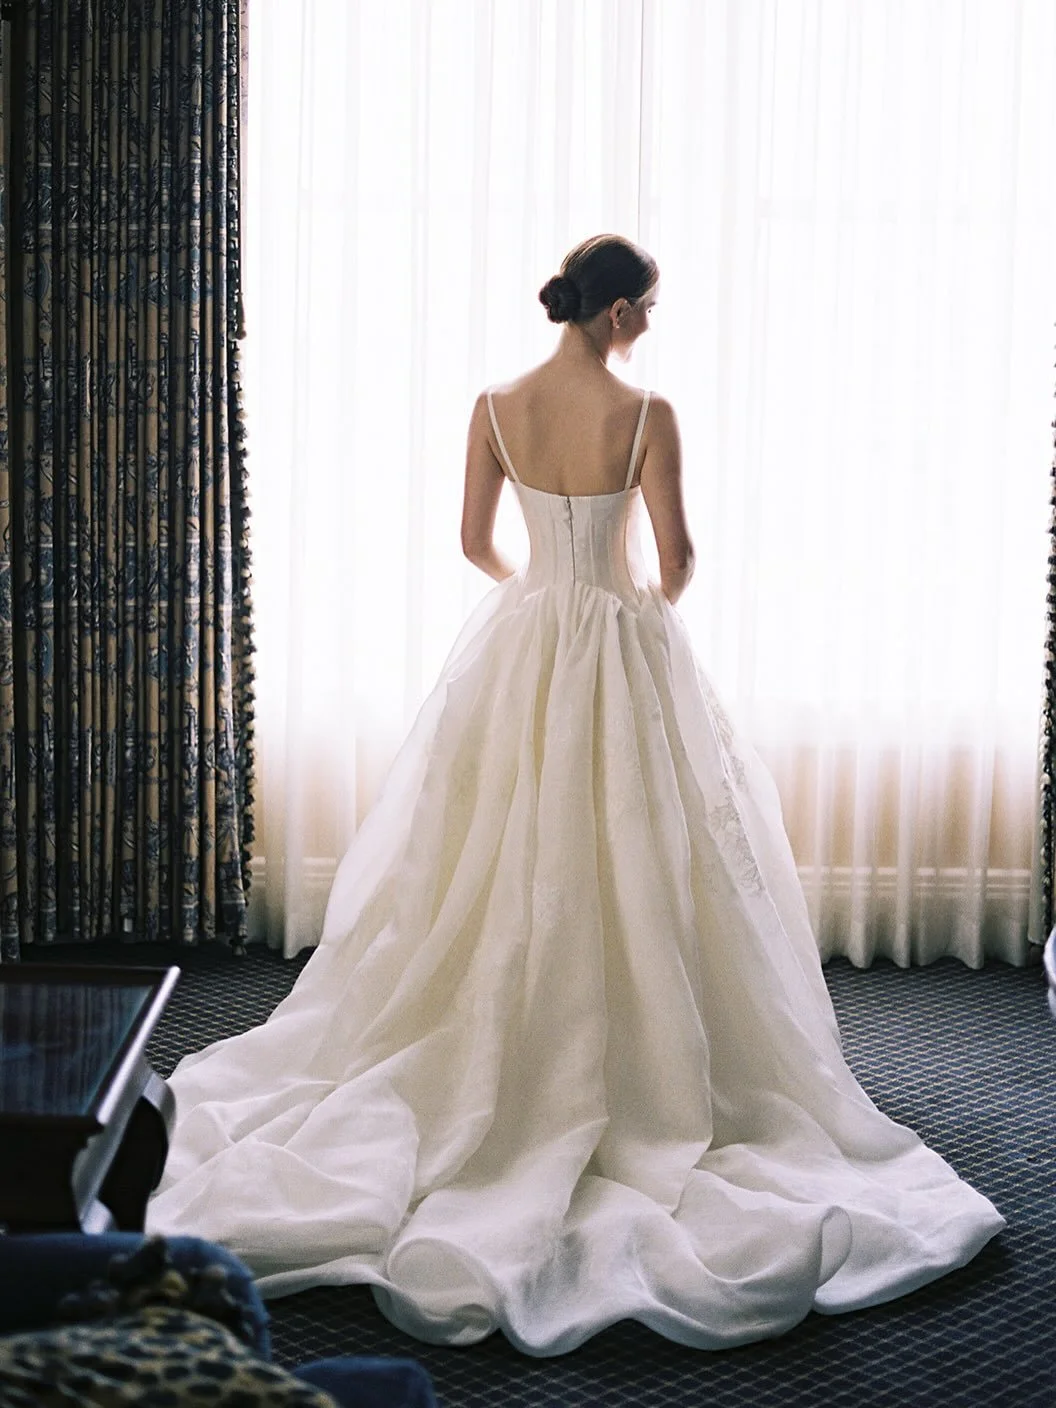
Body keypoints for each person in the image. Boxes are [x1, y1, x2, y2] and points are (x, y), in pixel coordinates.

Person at [148, 234, 1003, 1356]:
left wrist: (538, 605)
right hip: (616, 637)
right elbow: (678, 557)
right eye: (648, 307)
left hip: (525, 639)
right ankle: (637, 1063)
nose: (650, 325)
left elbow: (472, 542)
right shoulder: (647, 414)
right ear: (617, 312)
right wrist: (622, 611)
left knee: (492, 855)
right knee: (644, 854)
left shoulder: (496, 404)